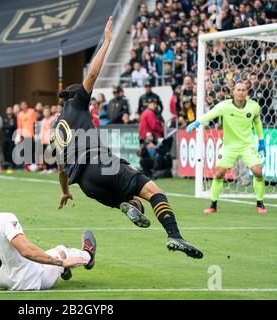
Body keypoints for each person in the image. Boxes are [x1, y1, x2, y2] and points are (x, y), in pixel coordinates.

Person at [50, 17, 203, 259]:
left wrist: (65, 191)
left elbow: (60, 169)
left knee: (135, 201)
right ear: (77, 95)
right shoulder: (76, 104)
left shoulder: (54, 128)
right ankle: (174, 235)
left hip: (86, 186)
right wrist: (107, 42)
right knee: (155, 193)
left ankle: (129, 205)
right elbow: (91, 75)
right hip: (101, 164)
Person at [186, 82, 267, 214]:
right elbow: (210, 115)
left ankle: (260, 203)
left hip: (247, 145)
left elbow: (257, 122)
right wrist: (196, 123)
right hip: (229, 146)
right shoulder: (224, 106)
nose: (241, 92)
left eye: (244, 90)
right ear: (233, 92)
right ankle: (213, 205)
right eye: (238, 90)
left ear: (247, 92)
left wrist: (261, 140)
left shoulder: (254, 107)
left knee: (258, 172)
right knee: (219, 173)